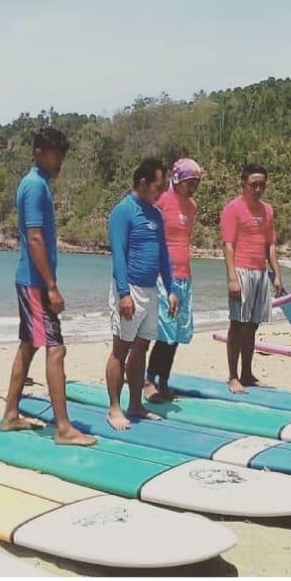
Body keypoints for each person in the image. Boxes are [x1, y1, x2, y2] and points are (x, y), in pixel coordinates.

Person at [0, 127, 96, 446]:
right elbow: (35, 237)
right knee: (56, 349)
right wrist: (51, 286)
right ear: (39, 152)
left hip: (32, 280)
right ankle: (63, 427)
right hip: (35, 282)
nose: (60, 162)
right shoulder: (35, 186)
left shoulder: (37, 184)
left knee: (29, 345)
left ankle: (10, 414)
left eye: (63, 156)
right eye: (56, 155)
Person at [104, 158, 180, 430]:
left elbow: (163, 255)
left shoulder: (155, 214)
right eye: (158, 187)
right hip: (130, 289)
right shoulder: (123, 211)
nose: (161, 193)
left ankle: (136, 404)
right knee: (120, 350)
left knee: (141, 348)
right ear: (143, 183)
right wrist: (123, 293)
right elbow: (119, 256)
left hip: (151, 290)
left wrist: (171, 289)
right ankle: (114, 408)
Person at [144, 157, 202, 403]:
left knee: (177, 333)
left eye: (196, 182)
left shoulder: (192, 207)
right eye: (190, 181)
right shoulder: (161, 202)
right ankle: (148, 380)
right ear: (177, 179)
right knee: (163, 331)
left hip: (184, 275)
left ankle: (165, 381)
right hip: (163, 275)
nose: (193, 187)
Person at [221, 164, 282, 393]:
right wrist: (232, 278)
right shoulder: (233, 209)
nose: (258, 189)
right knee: (237, 324)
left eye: (262, 185)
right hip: (241, 270)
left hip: (260, 272)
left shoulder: (267, 210)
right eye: (253, 185)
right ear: (243, 184)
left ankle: (247, 373)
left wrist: (276, 274)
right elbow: (228, 246)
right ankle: (233, 376)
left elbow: (271, 245)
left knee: (253, 325)